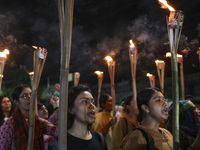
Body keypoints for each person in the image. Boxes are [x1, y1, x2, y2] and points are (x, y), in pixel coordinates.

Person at [0, 84, 58, 150]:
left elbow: (57, 132)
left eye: (31, 94)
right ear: (16, 102)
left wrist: (56, 107)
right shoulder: (10, 124)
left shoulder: (37, 121)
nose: (29, 97)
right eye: (25, 96)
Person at [67, 84, 107, 150]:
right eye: (85, 101)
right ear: (71, 109)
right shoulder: (60, 142)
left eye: (92, 102)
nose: (92, 105)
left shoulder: (99, 138)